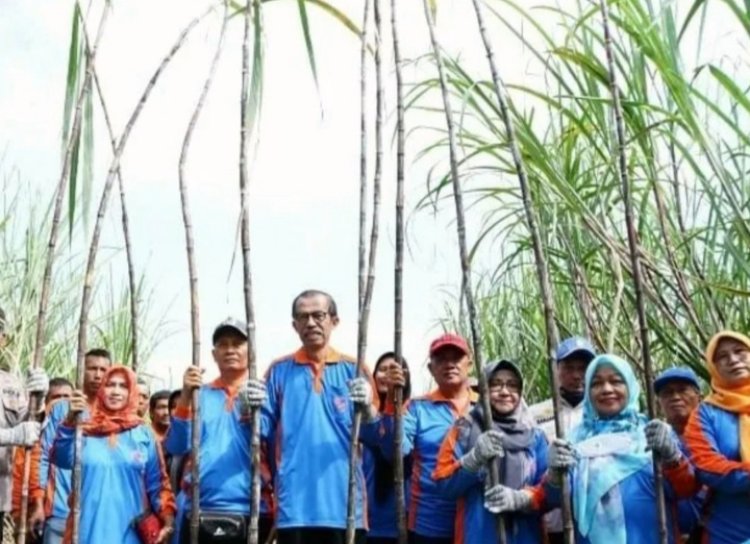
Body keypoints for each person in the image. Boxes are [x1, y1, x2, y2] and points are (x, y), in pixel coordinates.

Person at [245, 290, 377, 544]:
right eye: (302, 317)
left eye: (318, 315)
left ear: (334, 321)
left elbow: (375, 435)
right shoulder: (279, 370)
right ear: (294, 325)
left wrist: (369, 409)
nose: (311, 323)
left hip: (345, 506)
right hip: (294, 507)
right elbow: (261, 429)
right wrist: (247, 407)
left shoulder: (355, 369)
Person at [545, 353, 692, 544]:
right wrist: (554, 475)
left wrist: (673, 457)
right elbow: (555, 499)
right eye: (597, 383)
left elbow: (687, 489)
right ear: (588, 392)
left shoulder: (654, 432)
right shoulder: (573, 441)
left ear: (630, 387)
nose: (607, 389)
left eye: (616, 381)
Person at [165, 318, 273, 544]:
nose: (230, 350)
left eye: (237, 343)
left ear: (251, 351)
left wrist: (253, 412)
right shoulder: (199, 395)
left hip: (253, 508)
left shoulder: (265, 393)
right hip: (200, 506)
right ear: (214, 354)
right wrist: (185, 394)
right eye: (223, 344)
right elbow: (176, 446)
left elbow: (275, 443)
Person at [53, 365, 175, 543]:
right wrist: (70, 421)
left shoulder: (143, 434)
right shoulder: (84, 429)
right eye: (110, 384)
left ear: (131, 392)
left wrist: (168, 518)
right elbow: (62, 459)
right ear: (101, 390)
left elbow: (157, 485)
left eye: (123, 386)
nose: (116, 391)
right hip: (86, 530)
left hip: (130, 532)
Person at [377, 332, 477, 544]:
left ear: (469, 364)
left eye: (456, 358)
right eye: (441, 359)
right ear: (431, 369)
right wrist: (391, 404)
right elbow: (395, 450)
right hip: (431, 524)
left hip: (477, 521)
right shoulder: (417, 408)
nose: (449, 364)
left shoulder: (486, 406)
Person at [434, 359, 549, 544]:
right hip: (477, 535)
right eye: (496, 384)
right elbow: (442, 484)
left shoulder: (535, 436)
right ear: (483, 390)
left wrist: (522, 499)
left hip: (526, 536)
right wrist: (472, 461)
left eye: (512, 385)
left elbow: (550, 491)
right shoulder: (464, 429)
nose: (504, 391)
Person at [32, 349, 110, 544]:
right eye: (92, 368)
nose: (98, 375)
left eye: (103, 369)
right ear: (81, 371)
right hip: (60, 510)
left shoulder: (113, 414)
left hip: (99, 512)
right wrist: (39, 502)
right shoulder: (62, 409)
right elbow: (43, 456)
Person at [683, 331, 750, 544]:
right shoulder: (706, 413)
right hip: (728, 532)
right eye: (722, 356)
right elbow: (706, 466)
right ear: (713, 366)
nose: (732, 359)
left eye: (740, 351)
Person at [528, 336, 595, 544]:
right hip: (552, 522)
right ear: (557, 371)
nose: (576, 375)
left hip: (592, 520)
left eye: (583, 368)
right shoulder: (535, 414)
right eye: (569, 368)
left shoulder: (603, 413)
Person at [0, 306, 49, 541]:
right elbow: (17, 434)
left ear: (3, 339)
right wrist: (11, 436)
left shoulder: (12, 384)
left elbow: (29, 426)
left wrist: (39, 400)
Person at [11, 377, 72, 535]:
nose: (61, 402)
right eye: (56, 397)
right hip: (33, 517)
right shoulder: (31, 435)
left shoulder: (80, 435)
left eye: (67, 397)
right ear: (46, 402)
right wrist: (19, 516)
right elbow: (19, 476)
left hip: (68, 516)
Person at [652, 367, 704, 543]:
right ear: (659, 402)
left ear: (699, 396)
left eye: (682, 390)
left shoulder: (716, 435)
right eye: (667, 393)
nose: (675, 397)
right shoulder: (652, 441)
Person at [364, 352, 412, 544]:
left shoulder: (411, 412)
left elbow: (398, 450)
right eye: (382, 370)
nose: (387, 375)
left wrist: (393, 403)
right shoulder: (363, 414)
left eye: (393, 370)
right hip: (366, 518)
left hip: (400, 519)